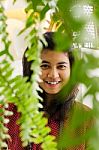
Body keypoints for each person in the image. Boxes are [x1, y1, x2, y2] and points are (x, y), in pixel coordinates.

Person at [6, 32, 93, 150]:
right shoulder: (8, 112)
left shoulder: (87, 118)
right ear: (31, 68)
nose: (53, 75)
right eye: (44, 66)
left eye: (61, 66)